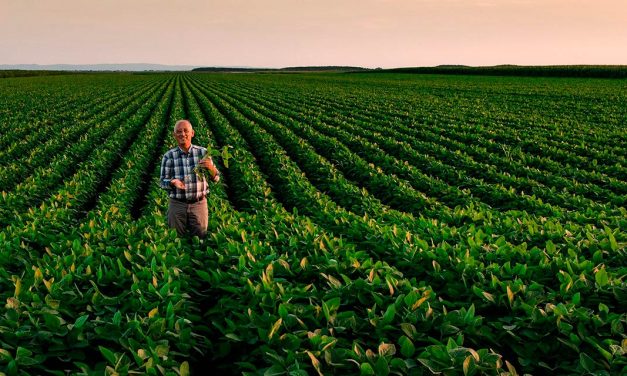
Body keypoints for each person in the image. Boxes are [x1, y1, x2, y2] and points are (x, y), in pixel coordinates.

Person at [160, 119, 220, 238]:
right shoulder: (168, 156)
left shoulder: (203, 153)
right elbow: (162, 182)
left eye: (186, 131)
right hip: (177, 205)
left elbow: (216, 178)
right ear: (174, 135)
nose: (183, 134)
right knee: (175, 240)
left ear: (192, 133)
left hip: (199, 204)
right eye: (179, 131)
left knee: (200, 238)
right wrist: (173, 182)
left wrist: (211, 168)